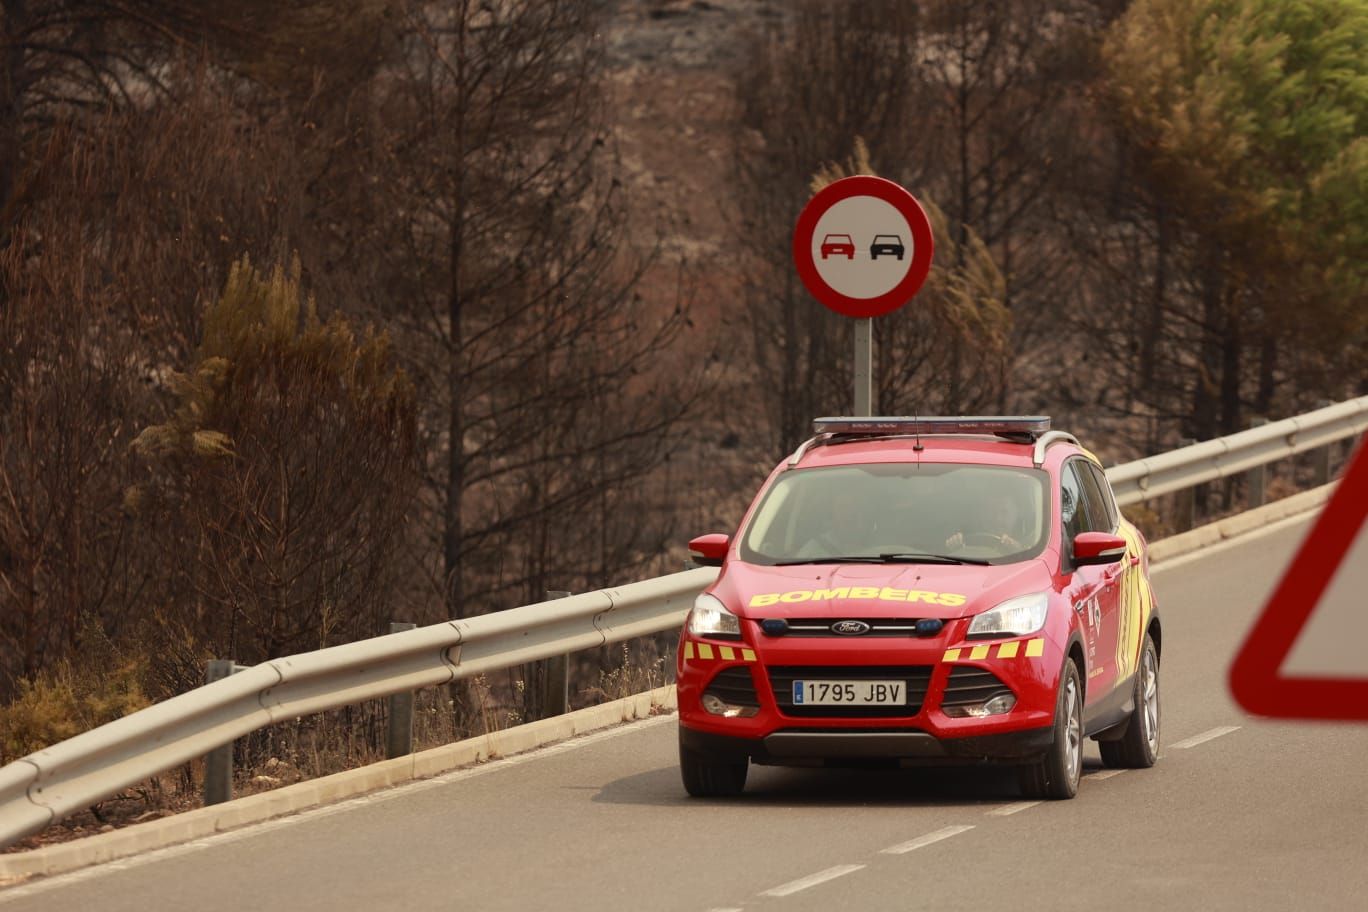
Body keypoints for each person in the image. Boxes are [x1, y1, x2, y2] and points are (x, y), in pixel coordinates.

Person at [945, 496, 1024, 552]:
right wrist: (952, 549)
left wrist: (1019, 553)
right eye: (991, 512)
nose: (997, 519)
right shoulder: (964, 542)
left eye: (1004, 512)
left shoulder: (1032, 548)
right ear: (981, 515)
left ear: (1017, 514)